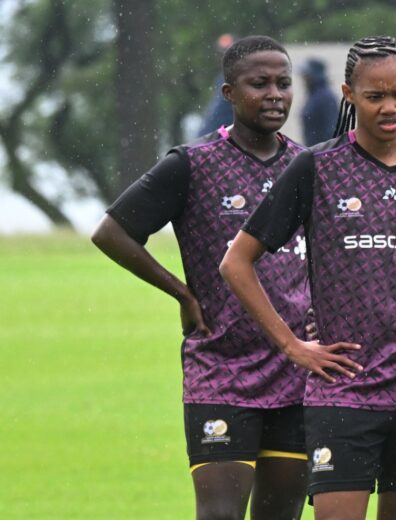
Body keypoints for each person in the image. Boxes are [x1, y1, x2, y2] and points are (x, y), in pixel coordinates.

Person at [219, 36, 396, 520]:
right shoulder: (316, 167)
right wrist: (292, 346)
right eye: (375, 96)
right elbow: (236, 262)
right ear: (349, 94)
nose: (390, 108)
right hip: (343, 386)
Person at [90, 36, 311, 520]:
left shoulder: (307, 165)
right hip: (221, 367)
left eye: (283, 83)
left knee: (281, 515)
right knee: (219, 514)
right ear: (229, 93)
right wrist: (183, 294)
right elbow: (111, 233)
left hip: (296, 367)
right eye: (259, 84)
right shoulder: (193, 164)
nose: (274, 95)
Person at [197, 33, 237, 137]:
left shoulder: (238, 80)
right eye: (221, 53)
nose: (223, 57)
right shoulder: (221, 78)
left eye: (228, 53)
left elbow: (217, 116)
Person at [299, 58, 339, 145]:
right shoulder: (314, 95)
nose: (304, 79)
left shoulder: (325, 97)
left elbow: (332, 131)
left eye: (306, 75)